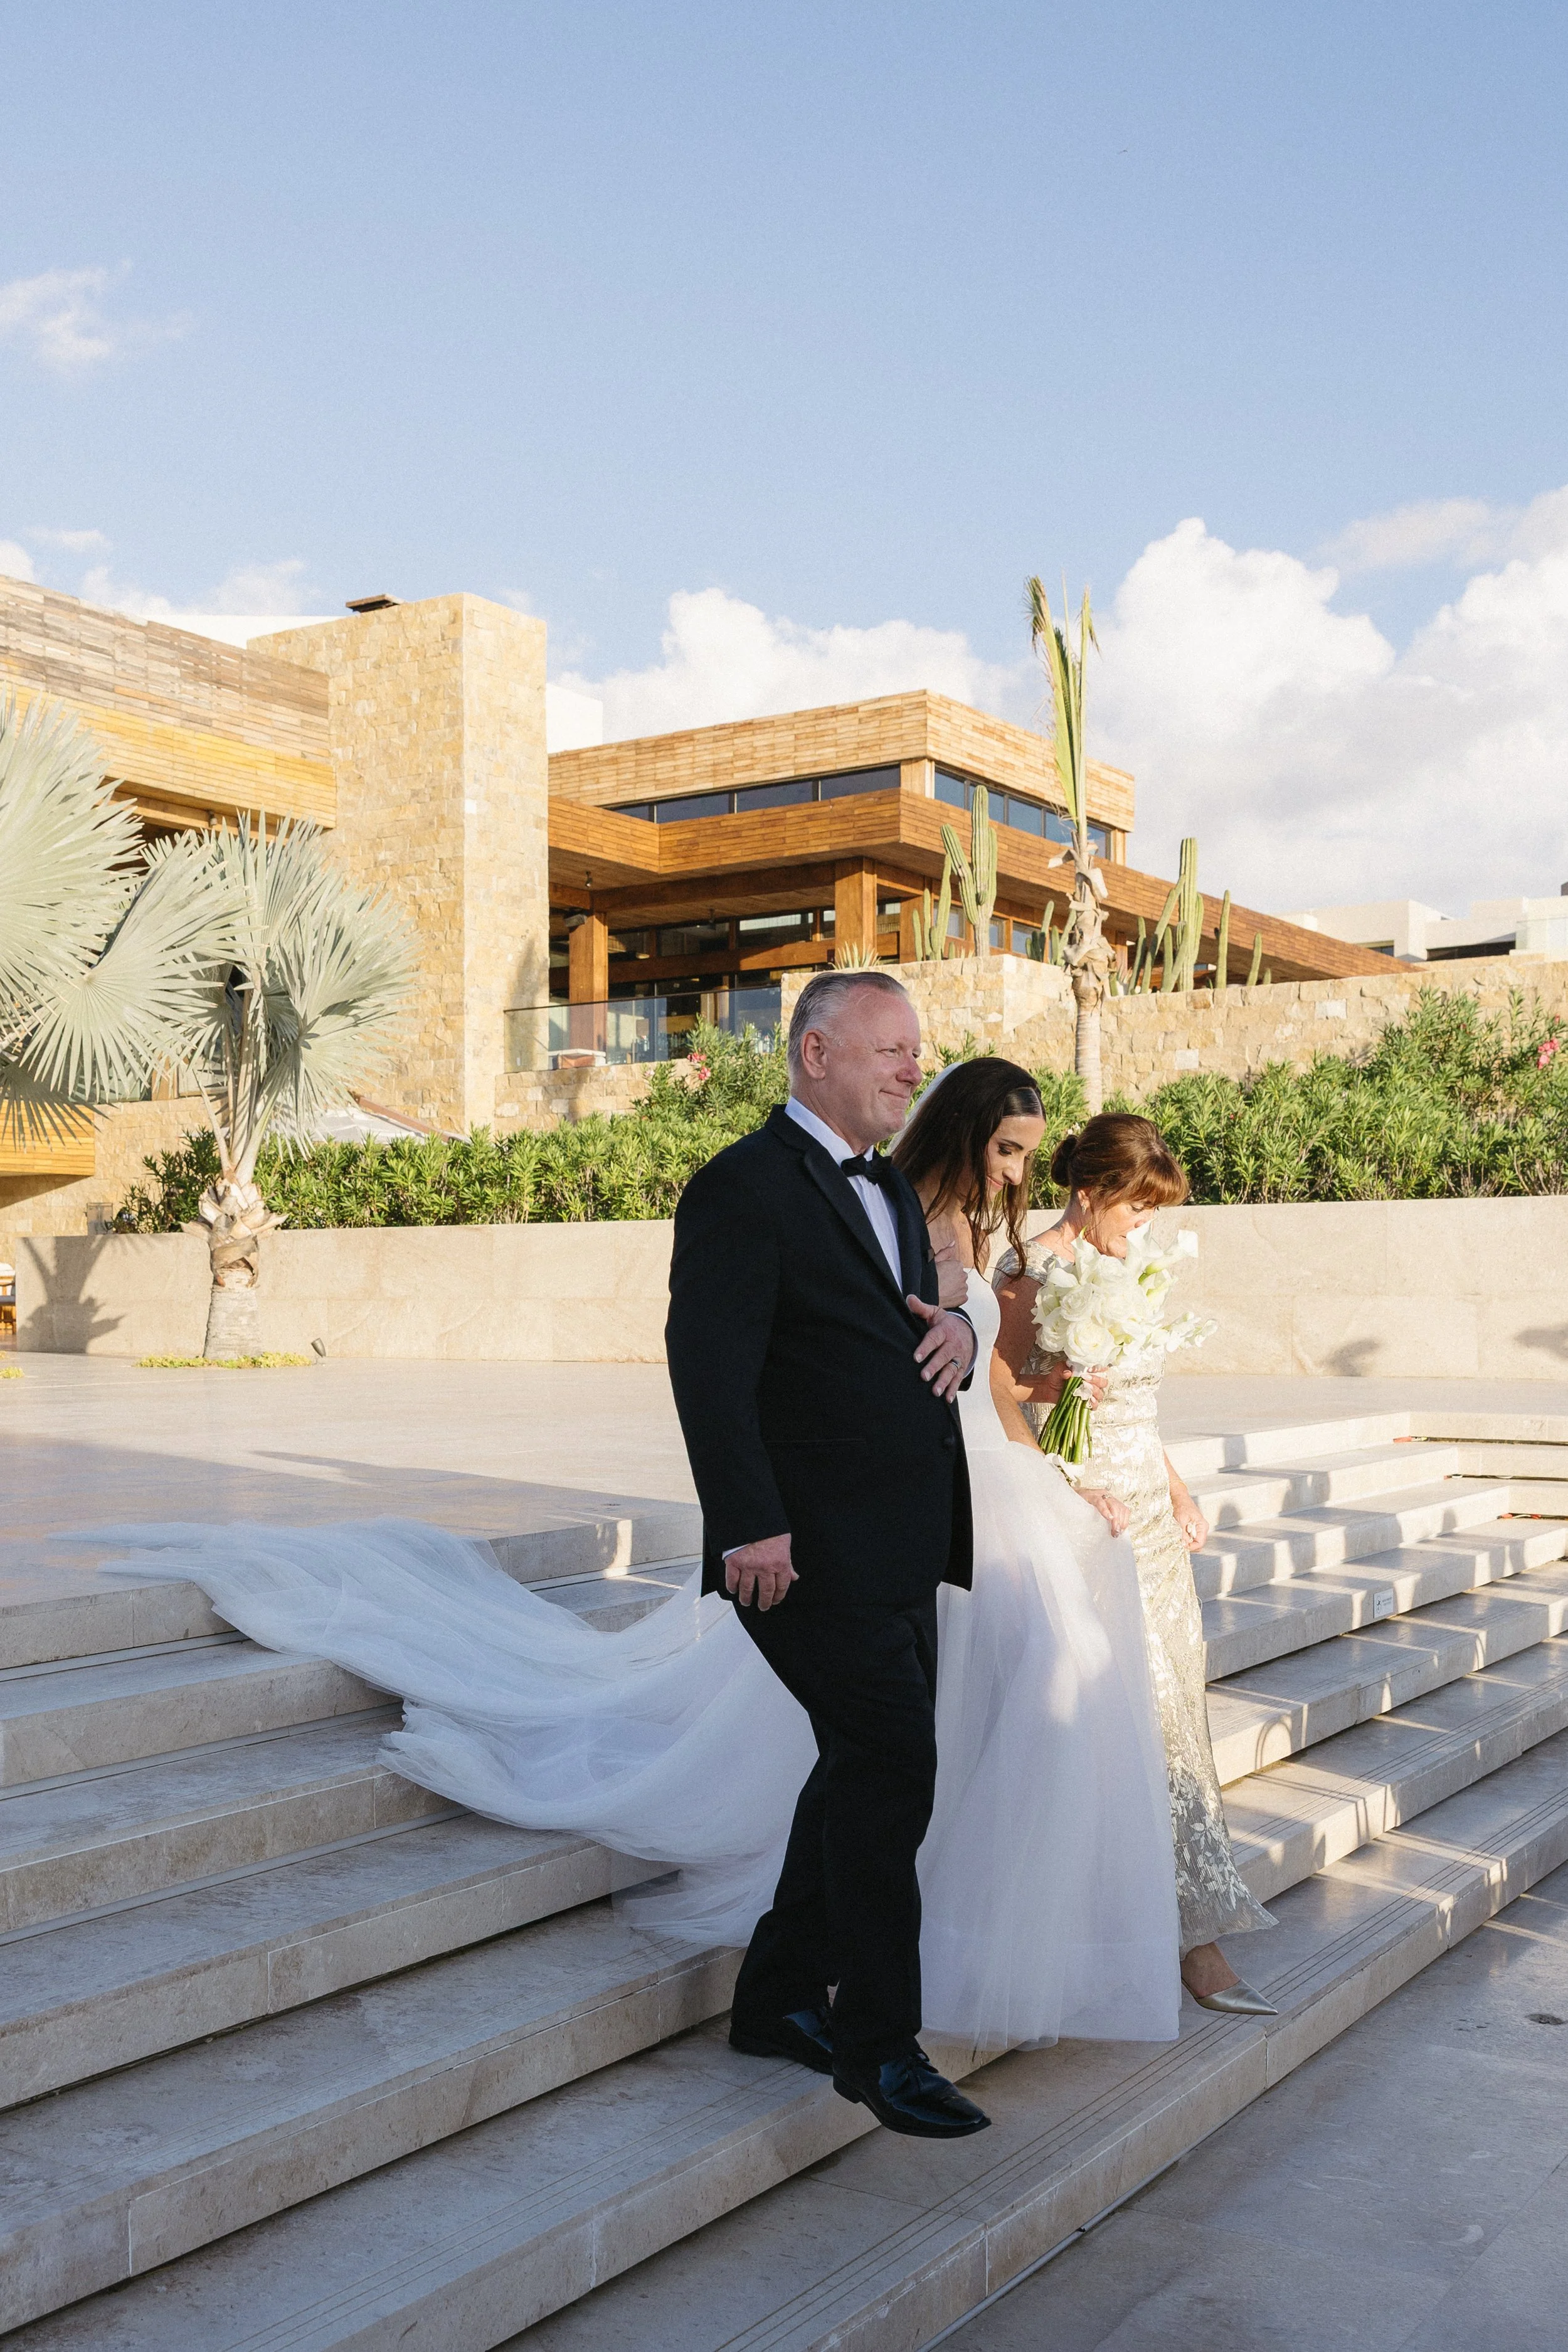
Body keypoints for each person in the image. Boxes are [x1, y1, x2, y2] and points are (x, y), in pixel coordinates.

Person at [992, 1111, 1276, 2015]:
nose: (1144, 1227)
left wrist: (1181, 1488)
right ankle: (1186, 1941)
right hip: (1080, 1516)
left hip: (1150, 1513)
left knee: (1179, 1706)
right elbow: (998, 1397)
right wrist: (1064, 1490)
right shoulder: (1028, 1268)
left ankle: (1182, 1914)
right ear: (1089, 1193)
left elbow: (1139, 1407)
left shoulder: (1129, 1270)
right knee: (1122, 1718)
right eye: (1137, 1209)